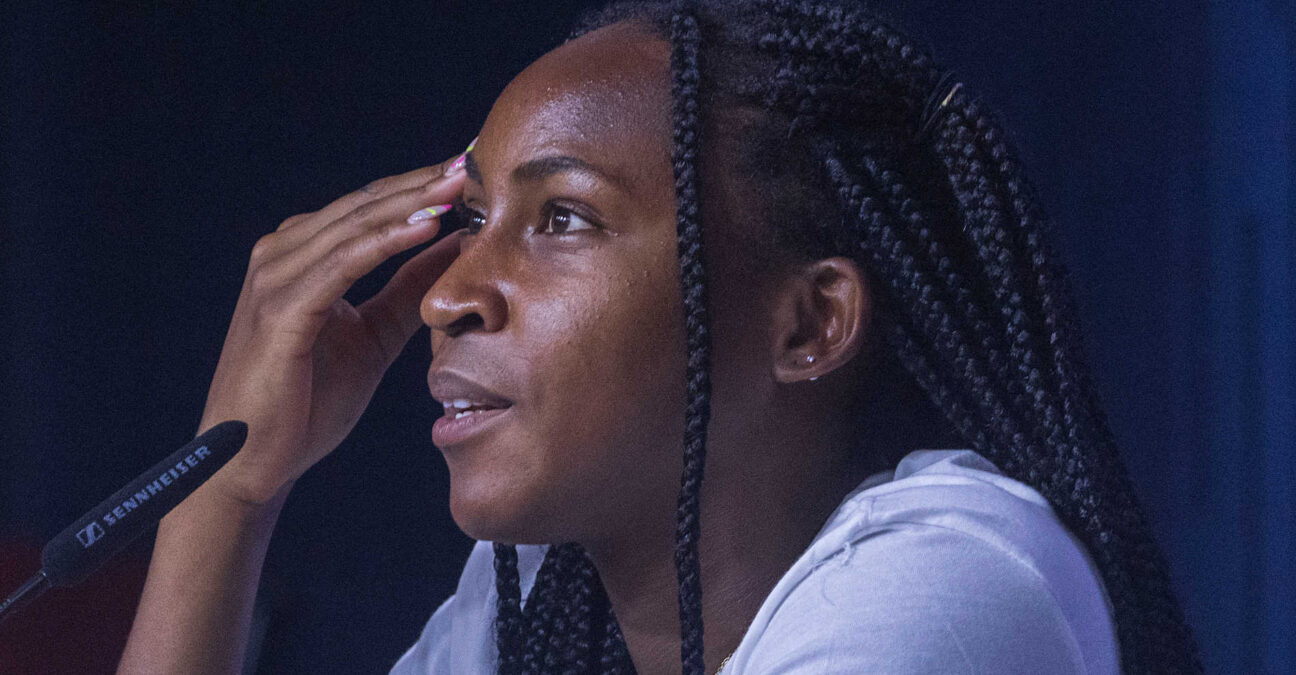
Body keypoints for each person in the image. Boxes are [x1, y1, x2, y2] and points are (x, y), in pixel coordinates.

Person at [116, 0, 1203, 673]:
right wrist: (229, 490)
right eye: (473, 220)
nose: (451, 294)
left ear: (810, 322)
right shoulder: (536, 603)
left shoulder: (950, 585)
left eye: (563, 219)